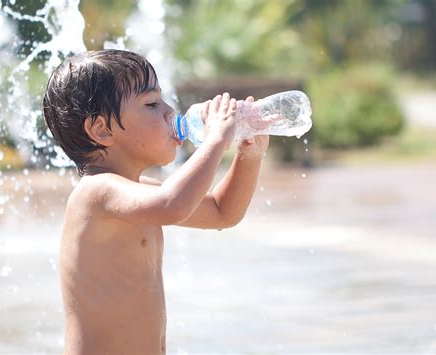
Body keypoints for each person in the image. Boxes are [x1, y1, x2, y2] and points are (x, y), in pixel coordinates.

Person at [43, 49, 269, 354]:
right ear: (102, 130)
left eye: (163, 100)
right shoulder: (96, 194)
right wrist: (216, 139)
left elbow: (221, 212)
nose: (169, 111)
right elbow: (172, 204)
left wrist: (249, 155)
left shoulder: (141, 191)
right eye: (151, 104)